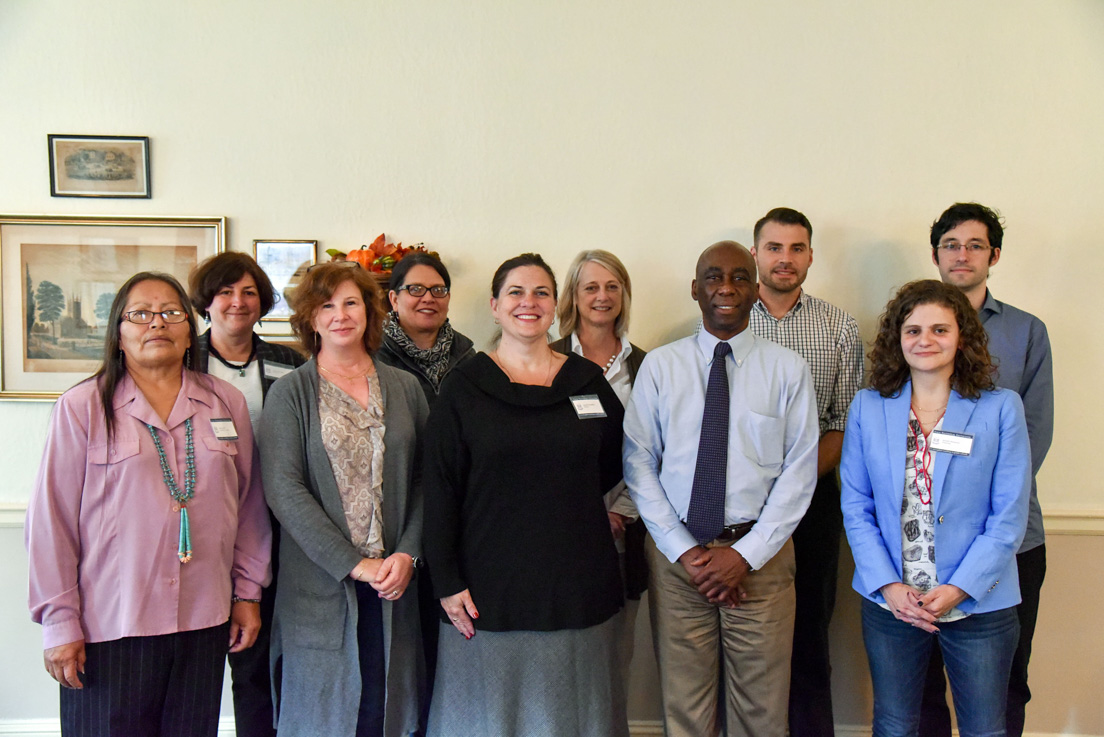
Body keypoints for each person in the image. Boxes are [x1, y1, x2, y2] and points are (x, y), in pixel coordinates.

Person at [26, 271, 272, 737]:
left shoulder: (226, 402)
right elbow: (50, 522)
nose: (156, 323)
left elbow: (249, 507)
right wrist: (60, 623)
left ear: (188, 330)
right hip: (111, 624)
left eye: (170, 313)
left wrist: (247, 593)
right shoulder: (82, 407)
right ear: (118, 333)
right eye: (140, 314)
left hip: (204, 617)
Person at [424, 253, 628, 737]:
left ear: (555, 307)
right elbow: (440, 486)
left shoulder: (587, 382)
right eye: (516, 292)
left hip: (577, 582)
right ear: (495, 307)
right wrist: (447, 582)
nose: (528, 303)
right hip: (486, 587)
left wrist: (559, 497)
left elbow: (616, 459)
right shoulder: (464, 387)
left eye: (541, 293)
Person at [623, 241, 819, 737]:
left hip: (762, 562)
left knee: (761, 711)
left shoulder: (788, 370)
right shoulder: (661, 367)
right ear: (695, 289)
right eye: (713, 277)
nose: (726, 288)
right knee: (685, 709)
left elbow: (799, 473)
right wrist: (684, 551)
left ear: (755, 290)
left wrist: (745, 555)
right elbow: (639, 462)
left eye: (738, 277)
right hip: (677, 561)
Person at [841, 279, 1031, 737]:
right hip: (893, 604)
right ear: (897, 339)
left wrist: (960, 588)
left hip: (978, 603)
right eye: (913, 330)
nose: (925, 340)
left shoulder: (1001, 408)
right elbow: (856, 505)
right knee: (894, 723)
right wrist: (887, 585)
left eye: (940, 330)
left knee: (985, 727)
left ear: (961, 336)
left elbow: (1008, 515)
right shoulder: (868, 408)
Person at [257, 262, 428, 737]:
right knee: (322, 714)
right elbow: (283, 489)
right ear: (310, 319)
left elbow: (425, 480)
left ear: (369, 311)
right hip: (323, 585)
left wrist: (407, 554)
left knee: (386, 708)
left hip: (394, 581)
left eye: (351, 302)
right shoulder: (290, 393)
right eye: (326, 305)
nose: (340, 315)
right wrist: (354, 563)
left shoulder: (405, 388)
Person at [919, 203, 1054, 737]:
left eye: (975, 245)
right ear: (935, 255)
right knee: (923, 681)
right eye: (951, 244)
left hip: (1009, 539)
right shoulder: (912, 326)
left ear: (994, 255)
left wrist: (984, 519)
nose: (962, 254)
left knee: (1004, 680)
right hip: (922, 539)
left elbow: (1033, 435)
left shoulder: (1025, 332)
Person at [747, 207, 863, 737]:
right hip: (736, 508)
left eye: (796, 249)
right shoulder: (726, 318)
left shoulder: (838, 327)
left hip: (813, 503)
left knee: (809, 638)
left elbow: (843, 422)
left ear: (811, 256)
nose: (785, 259)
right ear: (755, 254)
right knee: (746, 643)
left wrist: (790, 491)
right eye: (774, 248)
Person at [188, 251, 305, 737]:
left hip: (274, 527)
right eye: (226, 291)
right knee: (195, 661)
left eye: (250, 292)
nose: (238, 302)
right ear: (206, 301)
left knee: (256, 658)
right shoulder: (182, 358)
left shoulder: (289, 362)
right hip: (198, 526)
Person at [374, 251, 474, 735]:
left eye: (437, 290)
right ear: (393, 299)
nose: (427, 299)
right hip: (397, 516)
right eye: (414, 289)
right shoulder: (371, 356)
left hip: (460, 514)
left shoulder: (471, 357)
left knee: (452, 639)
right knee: (404, 643)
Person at [550, 249, 648, 690]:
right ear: (573, 296)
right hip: (559, 530)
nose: (602, 296)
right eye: (591, 286)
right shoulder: (544, 361)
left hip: (626, 529)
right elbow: (539, 454)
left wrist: (622, 513)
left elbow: (656, 452)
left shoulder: (648, 367)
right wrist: (585, 514)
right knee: (559, 657)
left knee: (614, 658)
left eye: (612, 286)